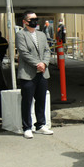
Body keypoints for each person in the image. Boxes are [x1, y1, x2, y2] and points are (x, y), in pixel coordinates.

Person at [16, 10, 53, 138]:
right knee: (27, 100)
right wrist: (38, 63)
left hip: (42, 73)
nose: (35, 21)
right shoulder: (21, 35)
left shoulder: (42, 34)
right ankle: (27, 127)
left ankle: (41, 125)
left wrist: (44, 63)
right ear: (25, 22)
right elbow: (24, 52)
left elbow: (47, 51)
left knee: (41, 99)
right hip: (28, 73)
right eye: (32, 19)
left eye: (36, 19)